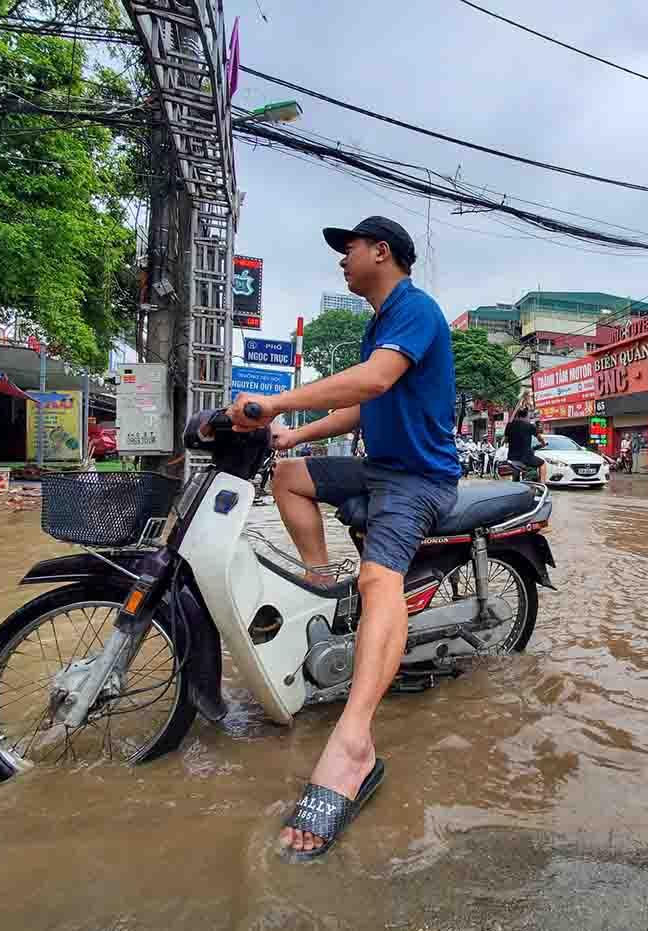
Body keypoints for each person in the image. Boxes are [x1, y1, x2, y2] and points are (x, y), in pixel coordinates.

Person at [223, 216, 461, 860]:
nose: (341, 261)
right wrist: (292, 436)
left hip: (419, 479)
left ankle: (354, 739)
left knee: (381, 576)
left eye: (348, 249)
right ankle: (326, 593)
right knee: (291, 479)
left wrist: (275, 403)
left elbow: (374, 382)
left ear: (381, 251)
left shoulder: (414, 309)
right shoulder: (378, 323)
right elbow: (367, 403)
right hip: (379, 466)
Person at [503, 407, 546, 482]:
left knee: (513, 476)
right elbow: (539, 438)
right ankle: (542, 485)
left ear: (518, 415)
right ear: (526, 416)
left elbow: (506, 440)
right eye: (529, 416)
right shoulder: (529, 426)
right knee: (543, 464)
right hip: (526, 457)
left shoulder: (509, 425)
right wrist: (543, 443)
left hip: (512, 458)